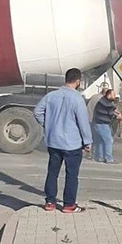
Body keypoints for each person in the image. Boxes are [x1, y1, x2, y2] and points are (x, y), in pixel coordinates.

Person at [34, 68, 92, 213]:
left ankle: (50, 202)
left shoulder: (51, 96)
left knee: (52, 172)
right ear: (78, 81)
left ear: (66, 79)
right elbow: (83, 123)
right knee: (71, 174)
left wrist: (48, 124)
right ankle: (69, 205)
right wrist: (87, 141)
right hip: (72, 144)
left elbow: (37, 112)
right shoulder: (77, 99)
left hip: (53, 141)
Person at [92, 89, 122, 163]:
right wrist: (121, 118)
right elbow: (112, 115)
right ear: (109, 95)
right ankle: (109, 158)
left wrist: (117, 113)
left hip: (97, 123)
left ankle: (100, 157)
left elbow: (112, 110)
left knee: (101, 141)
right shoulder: (107, 103)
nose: (114, 97)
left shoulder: (103, 101)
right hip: (102, 124)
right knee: (108, 140)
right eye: (113, 95)